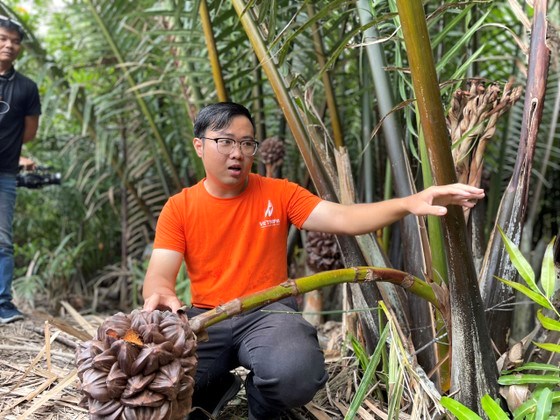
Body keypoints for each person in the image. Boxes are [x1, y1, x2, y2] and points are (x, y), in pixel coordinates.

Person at [142, 102, 484, 419]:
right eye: (226, 141)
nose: (238, 153)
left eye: (247, 144)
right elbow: (160, 275)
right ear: (199, 145)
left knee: (295, 374)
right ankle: (214, 387)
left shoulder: (280, 193)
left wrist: (410, 202)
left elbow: (346, 219)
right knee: (153, 379)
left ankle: (261, 407)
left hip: (268, 312)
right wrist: (161, 294)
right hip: (207, 318)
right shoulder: (180, 207)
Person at [0, 15, 41, 324]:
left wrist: (15, 151)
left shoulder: (26, 87)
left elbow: (29, 133)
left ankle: (2, 305)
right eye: (3, 38)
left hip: (4, 174)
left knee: (2, 238)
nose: (8, 45)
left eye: (14, 41)